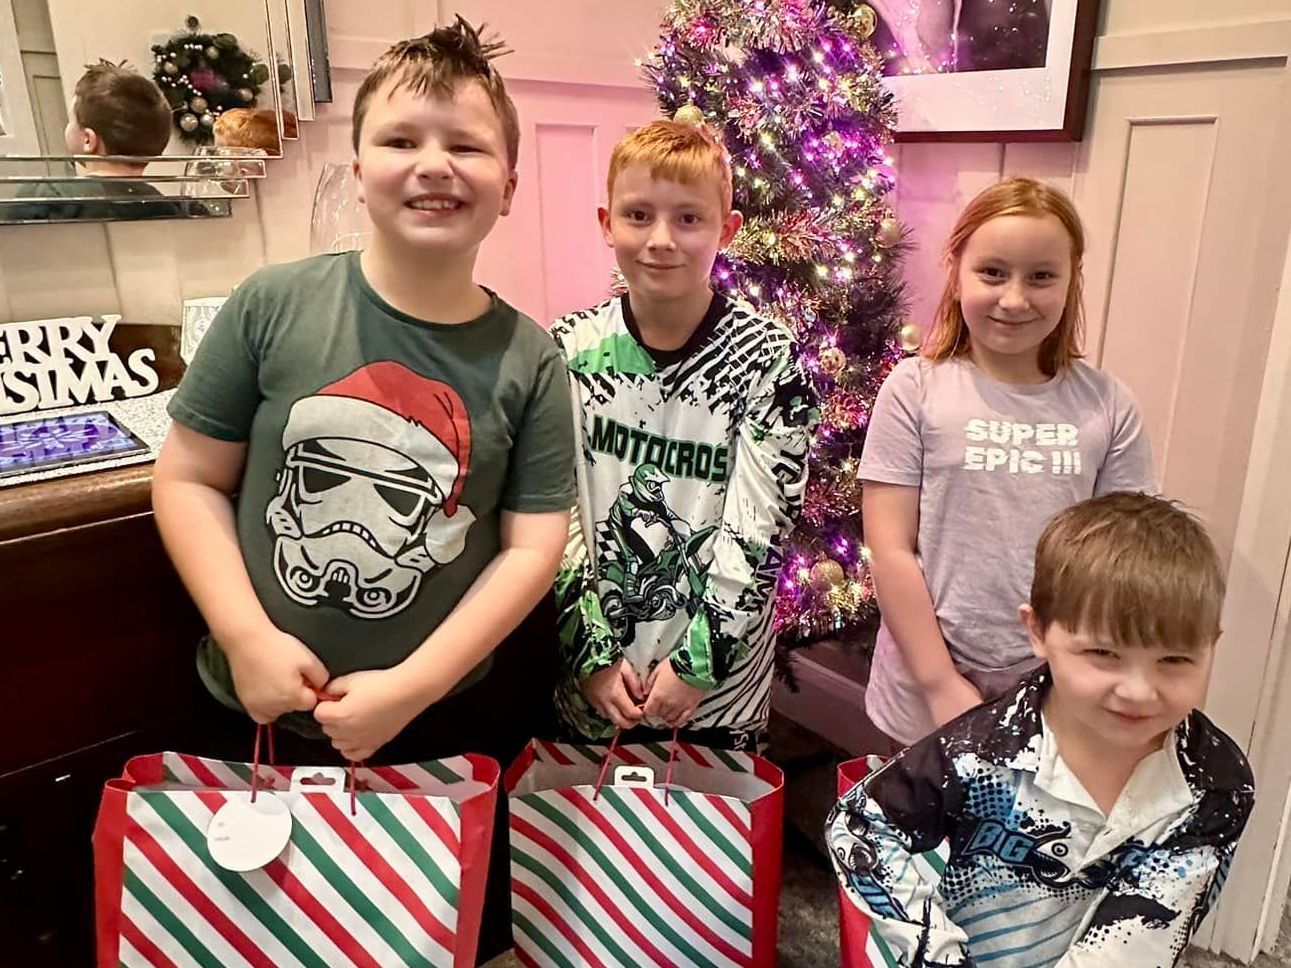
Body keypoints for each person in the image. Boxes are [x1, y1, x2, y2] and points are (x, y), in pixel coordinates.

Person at [152, 19, 573, 961]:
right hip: (249, 712)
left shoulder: (529, 360)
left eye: (467, 144)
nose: (435, 165)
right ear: (356, 164)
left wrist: (412, 688)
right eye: (401, 140)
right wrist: (247, 636)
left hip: (439, 721)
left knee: (414, 936)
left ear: (509, 185)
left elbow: (531, 545)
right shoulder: (272, 304)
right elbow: (185, 478)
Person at [828, 491, 1255, 967]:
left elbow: (1140, 941)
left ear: (1210, 647)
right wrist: (936, 950)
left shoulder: (1215, 784)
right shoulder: (978, 752)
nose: (1139, 690)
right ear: (1039, 632)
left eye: (1174, 660)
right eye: (1103, 654)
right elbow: (860, 824)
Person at [550, 119, 819, 753]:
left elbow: (762, 528)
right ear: (605, 222)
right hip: (590, 682)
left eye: (689, 219)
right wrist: (589, 654)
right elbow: (551, 511)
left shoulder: (769, 360)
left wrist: (700, 662)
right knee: (579, 845)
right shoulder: (566, 348)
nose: (661, 240)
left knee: (704, 849)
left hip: (716, 698)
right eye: (638, 215)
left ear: (727, 229)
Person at [860, 177, 1155, 748]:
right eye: (992, 272)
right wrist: (940, 682)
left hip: (1056, 696)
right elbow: (891, 546)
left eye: (1042, 276)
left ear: (1071, 281)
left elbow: (1121, 565)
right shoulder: (915, 389)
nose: (1015, 299)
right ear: (957, 269)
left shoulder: (1107, 407)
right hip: (924, 689)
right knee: (914, 836)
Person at [6, 60, 180, 222]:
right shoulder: (171, 208)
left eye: (71, 121)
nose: (67, 127)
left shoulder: (47, 197)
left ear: (89, 140)